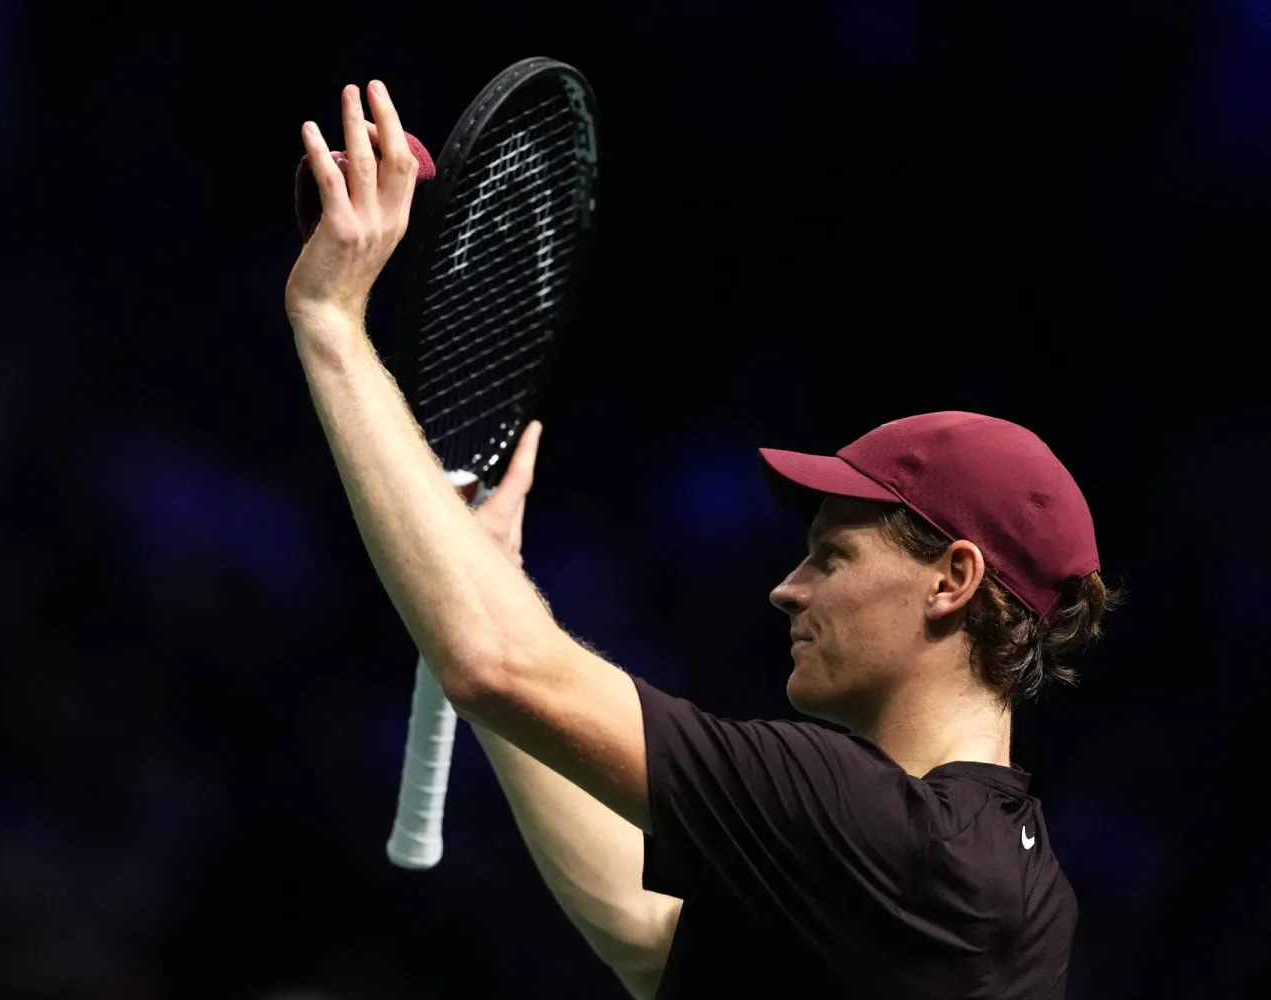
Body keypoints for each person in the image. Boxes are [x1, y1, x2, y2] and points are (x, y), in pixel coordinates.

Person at [285, 81, 1118, 999]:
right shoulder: (1023, 887)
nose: (787, 589)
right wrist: (478, 579)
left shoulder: (876, 825)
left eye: (832, 557)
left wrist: (331, 319)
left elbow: (496, 661)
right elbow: (645, 933)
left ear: (952, 579)